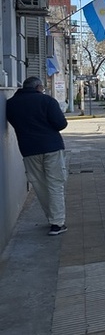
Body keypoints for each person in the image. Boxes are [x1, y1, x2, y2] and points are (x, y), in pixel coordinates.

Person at [6, 76, 69, 236]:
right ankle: (57, 223)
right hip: (52, 147)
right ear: (39, 87)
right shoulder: (47, 101)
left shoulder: (11, 104)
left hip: (28, 149)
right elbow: (61, 124)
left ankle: (52, 218)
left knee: (40, 185)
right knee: (55, 184)